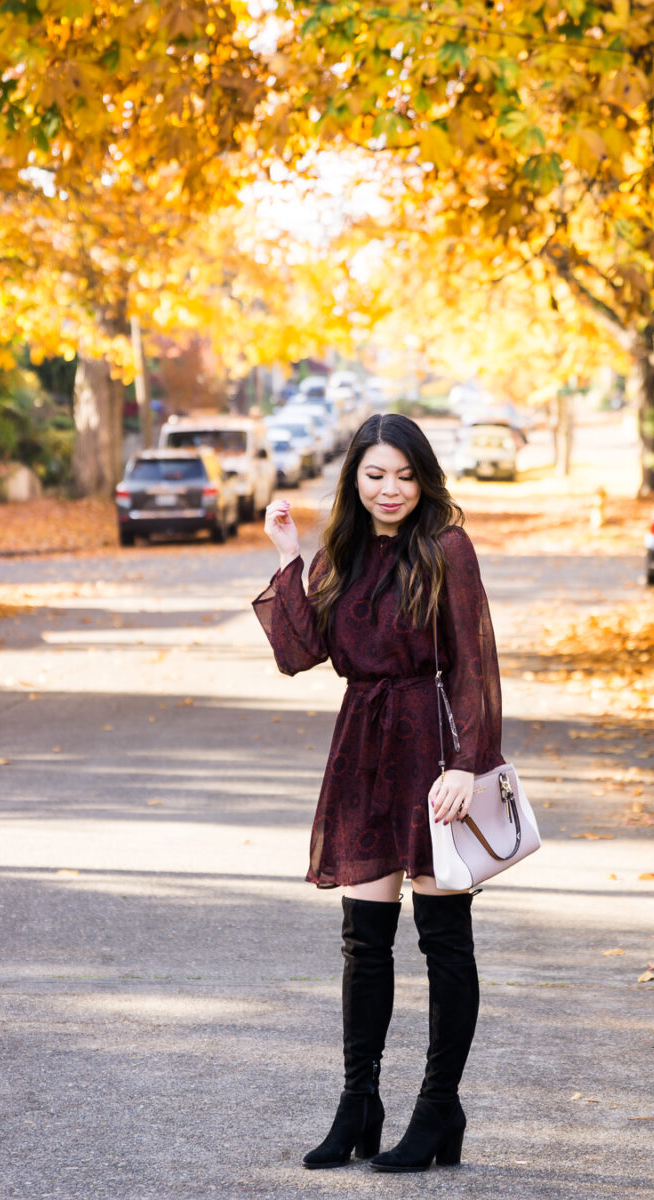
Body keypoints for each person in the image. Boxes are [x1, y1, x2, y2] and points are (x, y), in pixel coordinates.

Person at [253, 413, 503, 1173]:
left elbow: (475, 661)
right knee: (365, 942)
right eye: (375, 475)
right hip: (363, 747)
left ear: (423, 479)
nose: (390, 489)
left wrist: (467, 763)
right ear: (354, 478)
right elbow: (298, 653)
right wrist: (289, 557)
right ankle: (358, 1103)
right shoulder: (343, 553)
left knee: (443, 937)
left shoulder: (446, 548)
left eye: (404, 475)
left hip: (433, 750)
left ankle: (438, 1108)